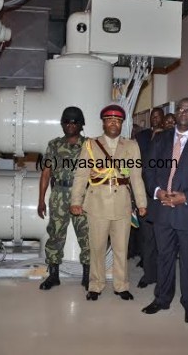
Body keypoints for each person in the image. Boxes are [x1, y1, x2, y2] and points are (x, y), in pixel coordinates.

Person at [142, 98, 188, 324]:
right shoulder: (161, 139)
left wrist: (185, 197)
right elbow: (149, 169)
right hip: (162, 209)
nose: (184, 112)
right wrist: (157, 192)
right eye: (181, 109)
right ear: (175, 113)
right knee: (164, 257)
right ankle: (162, 299)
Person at [70, 104, 147, 301]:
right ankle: (95, 285)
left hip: (122, 203)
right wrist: (76, 200)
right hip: (97, 204)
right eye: (110, 120)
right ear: (103, 123)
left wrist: (141, 203)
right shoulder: (91, 145)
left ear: (122, 124)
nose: (114, 123)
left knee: (122, 248)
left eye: (118, 121)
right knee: (97, 248)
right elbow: (81, 175)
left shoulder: (131, 146)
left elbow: (137, 177)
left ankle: (121, 285)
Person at [38, 107, 90, 290]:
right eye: (67, 121)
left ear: (81, 125)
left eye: (74, 122)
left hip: (83, 196)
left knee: (87, 236)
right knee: (55, 236)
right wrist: (41, 200)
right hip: (59, 194)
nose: (70, 125)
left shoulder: (90, 145)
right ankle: (53, 275)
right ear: (62, 124)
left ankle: (88, 276)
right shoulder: (54, 145)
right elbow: (45, 173)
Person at [134, 107, 165, 288]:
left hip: (164, 197)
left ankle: (162, 275)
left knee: (162, 239)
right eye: (152, 116)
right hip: (144, 194)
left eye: (158, 116)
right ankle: (148, 274)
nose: (155, 119)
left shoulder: (171, 137)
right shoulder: (141, 138)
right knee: (147, 238)